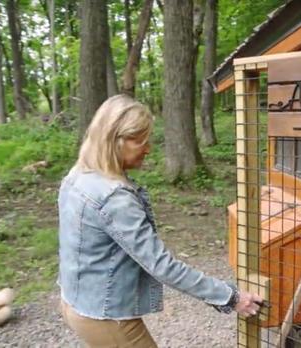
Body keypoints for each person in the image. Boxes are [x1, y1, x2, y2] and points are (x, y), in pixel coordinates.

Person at [58, 94, 263, 347]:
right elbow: (162, 265)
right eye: (138, 141)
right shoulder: (113, 198)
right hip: (107, 318)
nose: (147, 149)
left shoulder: (77, 176)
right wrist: (230, 297)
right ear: (113, 140)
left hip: (75, 302)